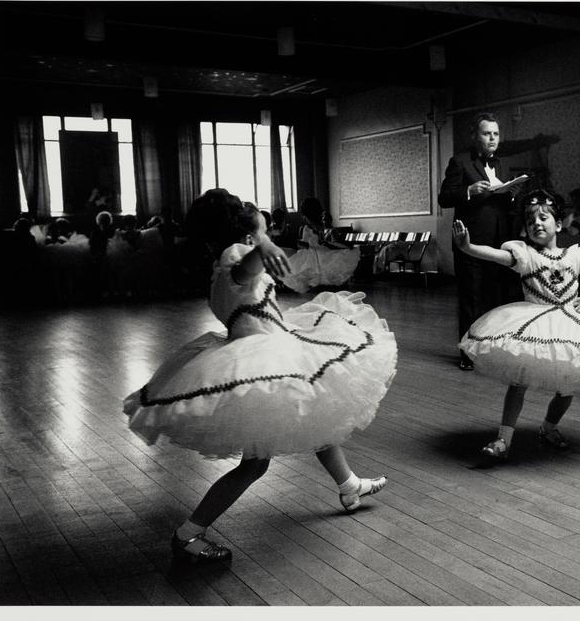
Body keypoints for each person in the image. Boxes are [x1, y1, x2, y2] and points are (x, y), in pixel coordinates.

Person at [124, 189, 397, 563]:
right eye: (263, 231)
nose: (268, 237)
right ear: (247, 235)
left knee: (316, 413)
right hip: (262, 359)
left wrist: (263, 245)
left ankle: (349, 486)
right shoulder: (234, 257)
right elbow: (243, 269)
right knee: (256, 463)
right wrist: (261, 246)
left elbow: (245, 276)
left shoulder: (218, 269)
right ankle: (189, 534)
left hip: (274, 346)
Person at [452, 190, 580, 460]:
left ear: (558, 224)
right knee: (518, 381)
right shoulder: (523, 255)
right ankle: (504, 438)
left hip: (571, 321)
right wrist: (468, 247)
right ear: (524, 230)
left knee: (568, 382)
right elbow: (494, 256)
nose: (537, 223)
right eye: (530, 221)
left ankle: (549, 427)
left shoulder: (575, 254)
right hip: (533, 322)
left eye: (543, 218)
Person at [438, 112, 528, 371]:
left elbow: (502, 205)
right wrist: (468, 191)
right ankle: (467, 352)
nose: (492, 138)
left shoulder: (501, 165)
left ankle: (490, 348)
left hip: (498, 243)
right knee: (471, 298)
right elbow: (444, 198)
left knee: (495, 296)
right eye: (487, 133)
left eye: (496, 134)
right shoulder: (460, 162)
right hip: (470, 240)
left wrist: (511, 194)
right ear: (474, 136)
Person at [280, 197, 358, 294]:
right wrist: (301, 244)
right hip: (311, 253)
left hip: (319, 253)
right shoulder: (307, 228)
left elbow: (327, 242)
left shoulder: (321, 227)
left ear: (306, 215)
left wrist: (313, 242)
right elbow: (306, 244)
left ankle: (320, 284)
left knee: (312, 266)